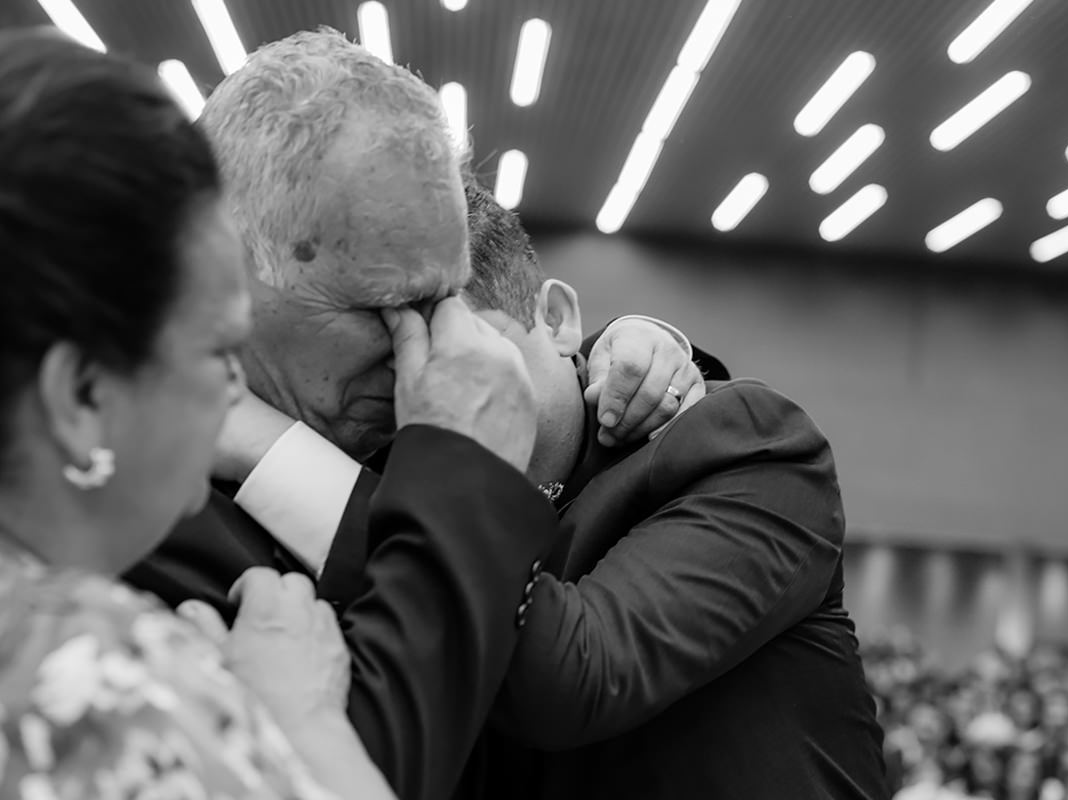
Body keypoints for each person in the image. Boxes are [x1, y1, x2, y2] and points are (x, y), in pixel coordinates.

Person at [124, 28, 718, 800]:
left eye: (449, 296)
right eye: (392, 306)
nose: (442, 346)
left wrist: (640, 348)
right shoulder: (127, 503)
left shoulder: (373, 424)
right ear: (229, 277)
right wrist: (461, 477)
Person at [0, 28, 538, 799]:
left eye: (448, 299)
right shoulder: (101, 656)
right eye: (217, 350)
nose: (437, 345)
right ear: (84, 394)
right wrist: (311, 726)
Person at [226, 175, 888, 799]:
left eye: (435, 342)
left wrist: (265, 446)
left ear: (559, 317)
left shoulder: (741, 444)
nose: (416, 392)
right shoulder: (391, 488)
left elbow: (581, 677)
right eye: (383, 370)